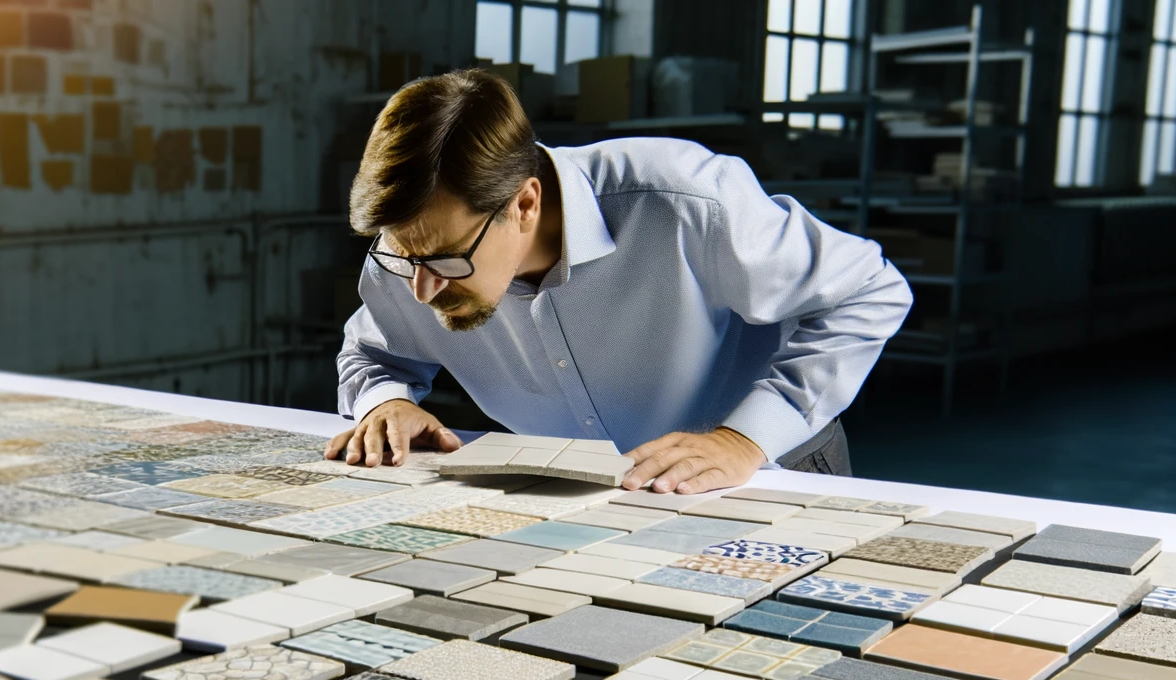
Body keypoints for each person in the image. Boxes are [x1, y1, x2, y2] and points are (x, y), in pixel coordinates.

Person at [325, 68, 912, 494]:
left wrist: (743, 441)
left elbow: (870, 290)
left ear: (523, 204)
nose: (421, 290)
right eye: (403, 257)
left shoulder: (686, 200)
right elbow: (374, 354)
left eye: (447, 262)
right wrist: (388, 402)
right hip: (581, 491)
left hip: (762, 469)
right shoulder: (411, 249)